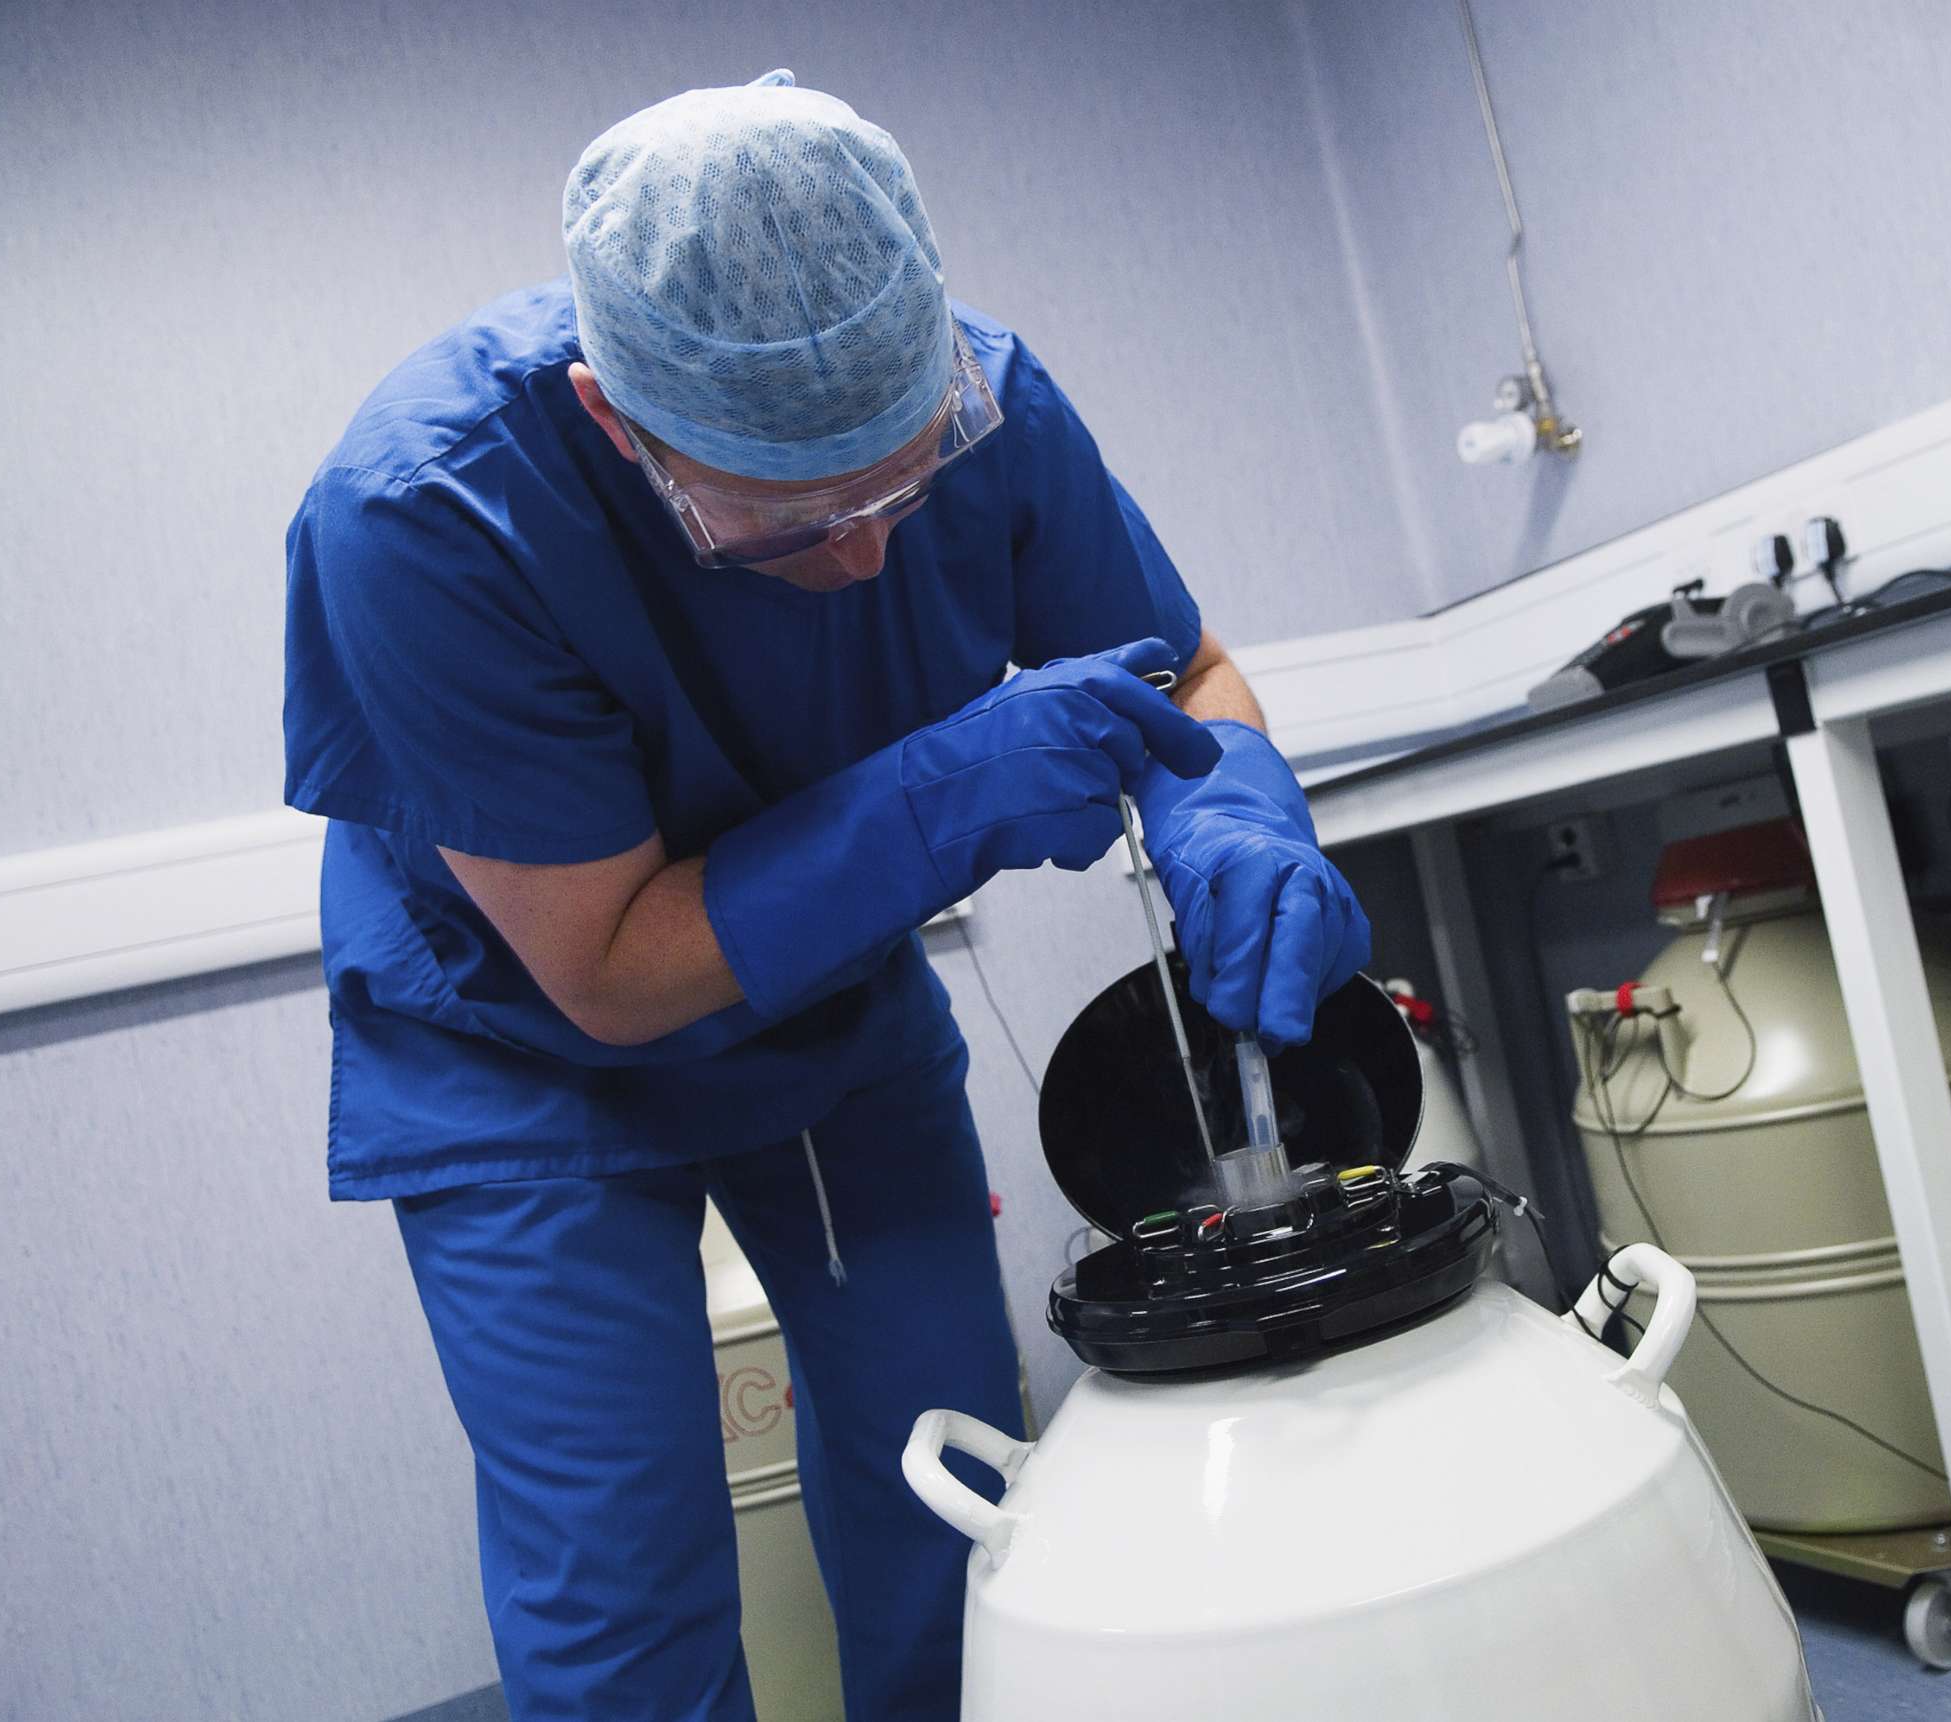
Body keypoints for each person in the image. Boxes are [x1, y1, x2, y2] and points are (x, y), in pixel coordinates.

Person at [281, 68, 1368, 1722]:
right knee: (624, 1604)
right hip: (520, 1058)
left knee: (956, 1494)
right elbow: (614, 969)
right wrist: (948, 789)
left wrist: (1244, 826)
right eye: (787, 527)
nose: (865, 560)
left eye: (901, 483)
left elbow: (1189, 665)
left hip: (831, 1012)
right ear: (610, 419)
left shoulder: (991, 397)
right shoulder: (429, 515)